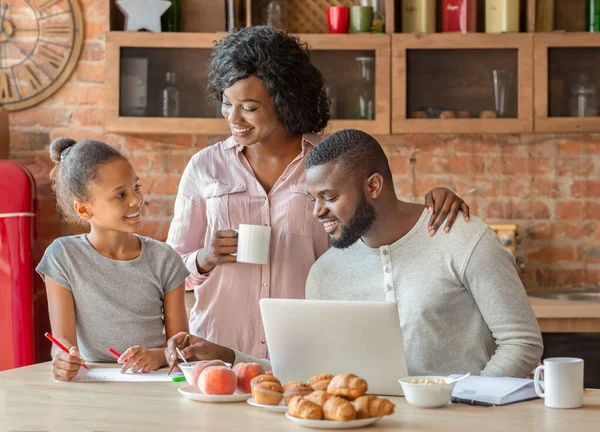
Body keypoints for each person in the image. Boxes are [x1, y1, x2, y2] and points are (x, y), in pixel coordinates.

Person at [166, 26, 470, 363]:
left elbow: (376, 237)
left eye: (249, 108)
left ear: (283, 102)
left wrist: (434, 203)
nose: (233, 119)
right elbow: (169, 271)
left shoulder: (330, 163)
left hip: (309, 351)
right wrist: (204, 259)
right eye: (226, 104)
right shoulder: (205, 167)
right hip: (217, 351)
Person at [170, 129, 543, 378]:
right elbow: (310, 369)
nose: (317, 212)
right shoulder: (325, 273)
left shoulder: (461, 238)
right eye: (312, 199)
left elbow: (522, 344)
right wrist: (229, 356)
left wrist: (467, 403)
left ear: (374, 186)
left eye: (329, 198)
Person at [37, 138, 189, 381]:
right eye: (120, 195)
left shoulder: (165, 259)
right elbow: (62, 342)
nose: (135, 200)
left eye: (136, 187)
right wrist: (62, 358)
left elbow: (182, 348)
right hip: (92, 382)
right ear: (84, 210)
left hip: (152, 383)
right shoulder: (62, 257)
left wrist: (157, 356)